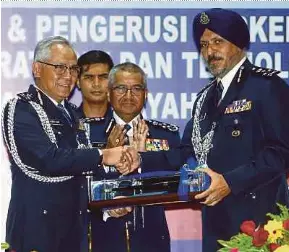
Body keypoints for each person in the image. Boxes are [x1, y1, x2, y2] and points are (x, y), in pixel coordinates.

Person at [2, 36, 140, 252]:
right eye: (59, 67)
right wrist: (103, 154)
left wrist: (109, 206)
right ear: (37, 69)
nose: (68, 76)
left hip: (75, 236)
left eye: (73, 69)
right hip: (36, 236)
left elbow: (81, 174)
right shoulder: (21, 108)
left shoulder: (71, 115)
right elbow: (49, 159)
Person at [180, 8, 289, 251]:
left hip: (259, 225)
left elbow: (280, 153)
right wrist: (138, 157)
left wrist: (230, 182)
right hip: (215, 227)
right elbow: (186, 150)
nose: (210, 51)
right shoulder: (204, 99)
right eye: (204, 44)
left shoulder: (267, 86)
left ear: (238, 44)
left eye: (218, 42)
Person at [79, 62, 181, 252]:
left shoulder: (166, 134)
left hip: (151, 239)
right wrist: (105, 206)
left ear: (146, 94)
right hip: (102, 237)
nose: (128, 96)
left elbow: (176, 183)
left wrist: (142, 159)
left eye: (136, 89)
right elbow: (75, 186)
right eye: (120, 88)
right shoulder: (86, 133)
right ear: (108, 94)